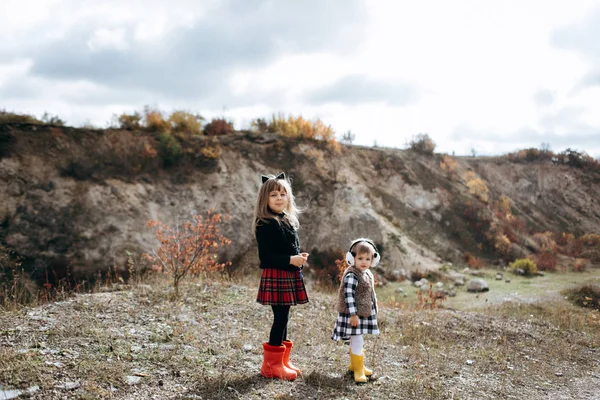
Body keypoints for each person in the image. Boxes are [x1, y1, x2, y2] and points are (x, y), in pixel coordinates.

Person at [254, 172, 309, 380]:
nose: (279, 198)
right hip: (276, 274)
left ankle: (282, 361)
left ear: (289, 198)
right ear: (265, 199)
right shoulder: (265, 223)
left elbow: (288, 247)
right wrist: (289, 260)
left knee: (284, 317)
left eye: (283, 194)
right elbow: (266, 256)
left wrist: (298, 257)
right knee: (280, 317)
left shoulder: (286, 220)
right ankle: (270, 366)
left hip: (287, 274)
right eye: (274, 195)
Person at [332, 238, 380, 383]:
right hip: (353, 314)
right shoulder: (352, 275)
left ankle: (355, 365)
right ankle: (358, 370)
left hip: (362, 313)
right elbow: (349, 296)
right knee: (357, 339)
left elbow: (370, 294)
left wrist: (374, 310)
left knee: (357, 338)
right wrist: (353, 314)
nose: (364, 261)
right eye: (360, 258)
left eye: (368, 258)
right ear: (352, 258)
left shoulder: (367, 273)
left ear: (374, 260)